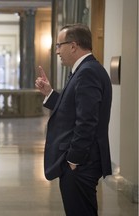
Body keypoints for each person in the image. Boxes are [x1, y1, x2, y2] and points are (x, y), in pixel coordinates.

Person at [35, 23, 112, 216]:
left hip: (81, 163)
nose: (57, 51)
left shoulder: (87, 72)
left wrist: (73, 159)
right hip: (81, 161)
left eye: (59, 45)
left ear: (73, 46)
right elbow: (73, 109)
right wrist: (50, 93)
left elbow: (87, 121)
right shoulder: (85, 69)